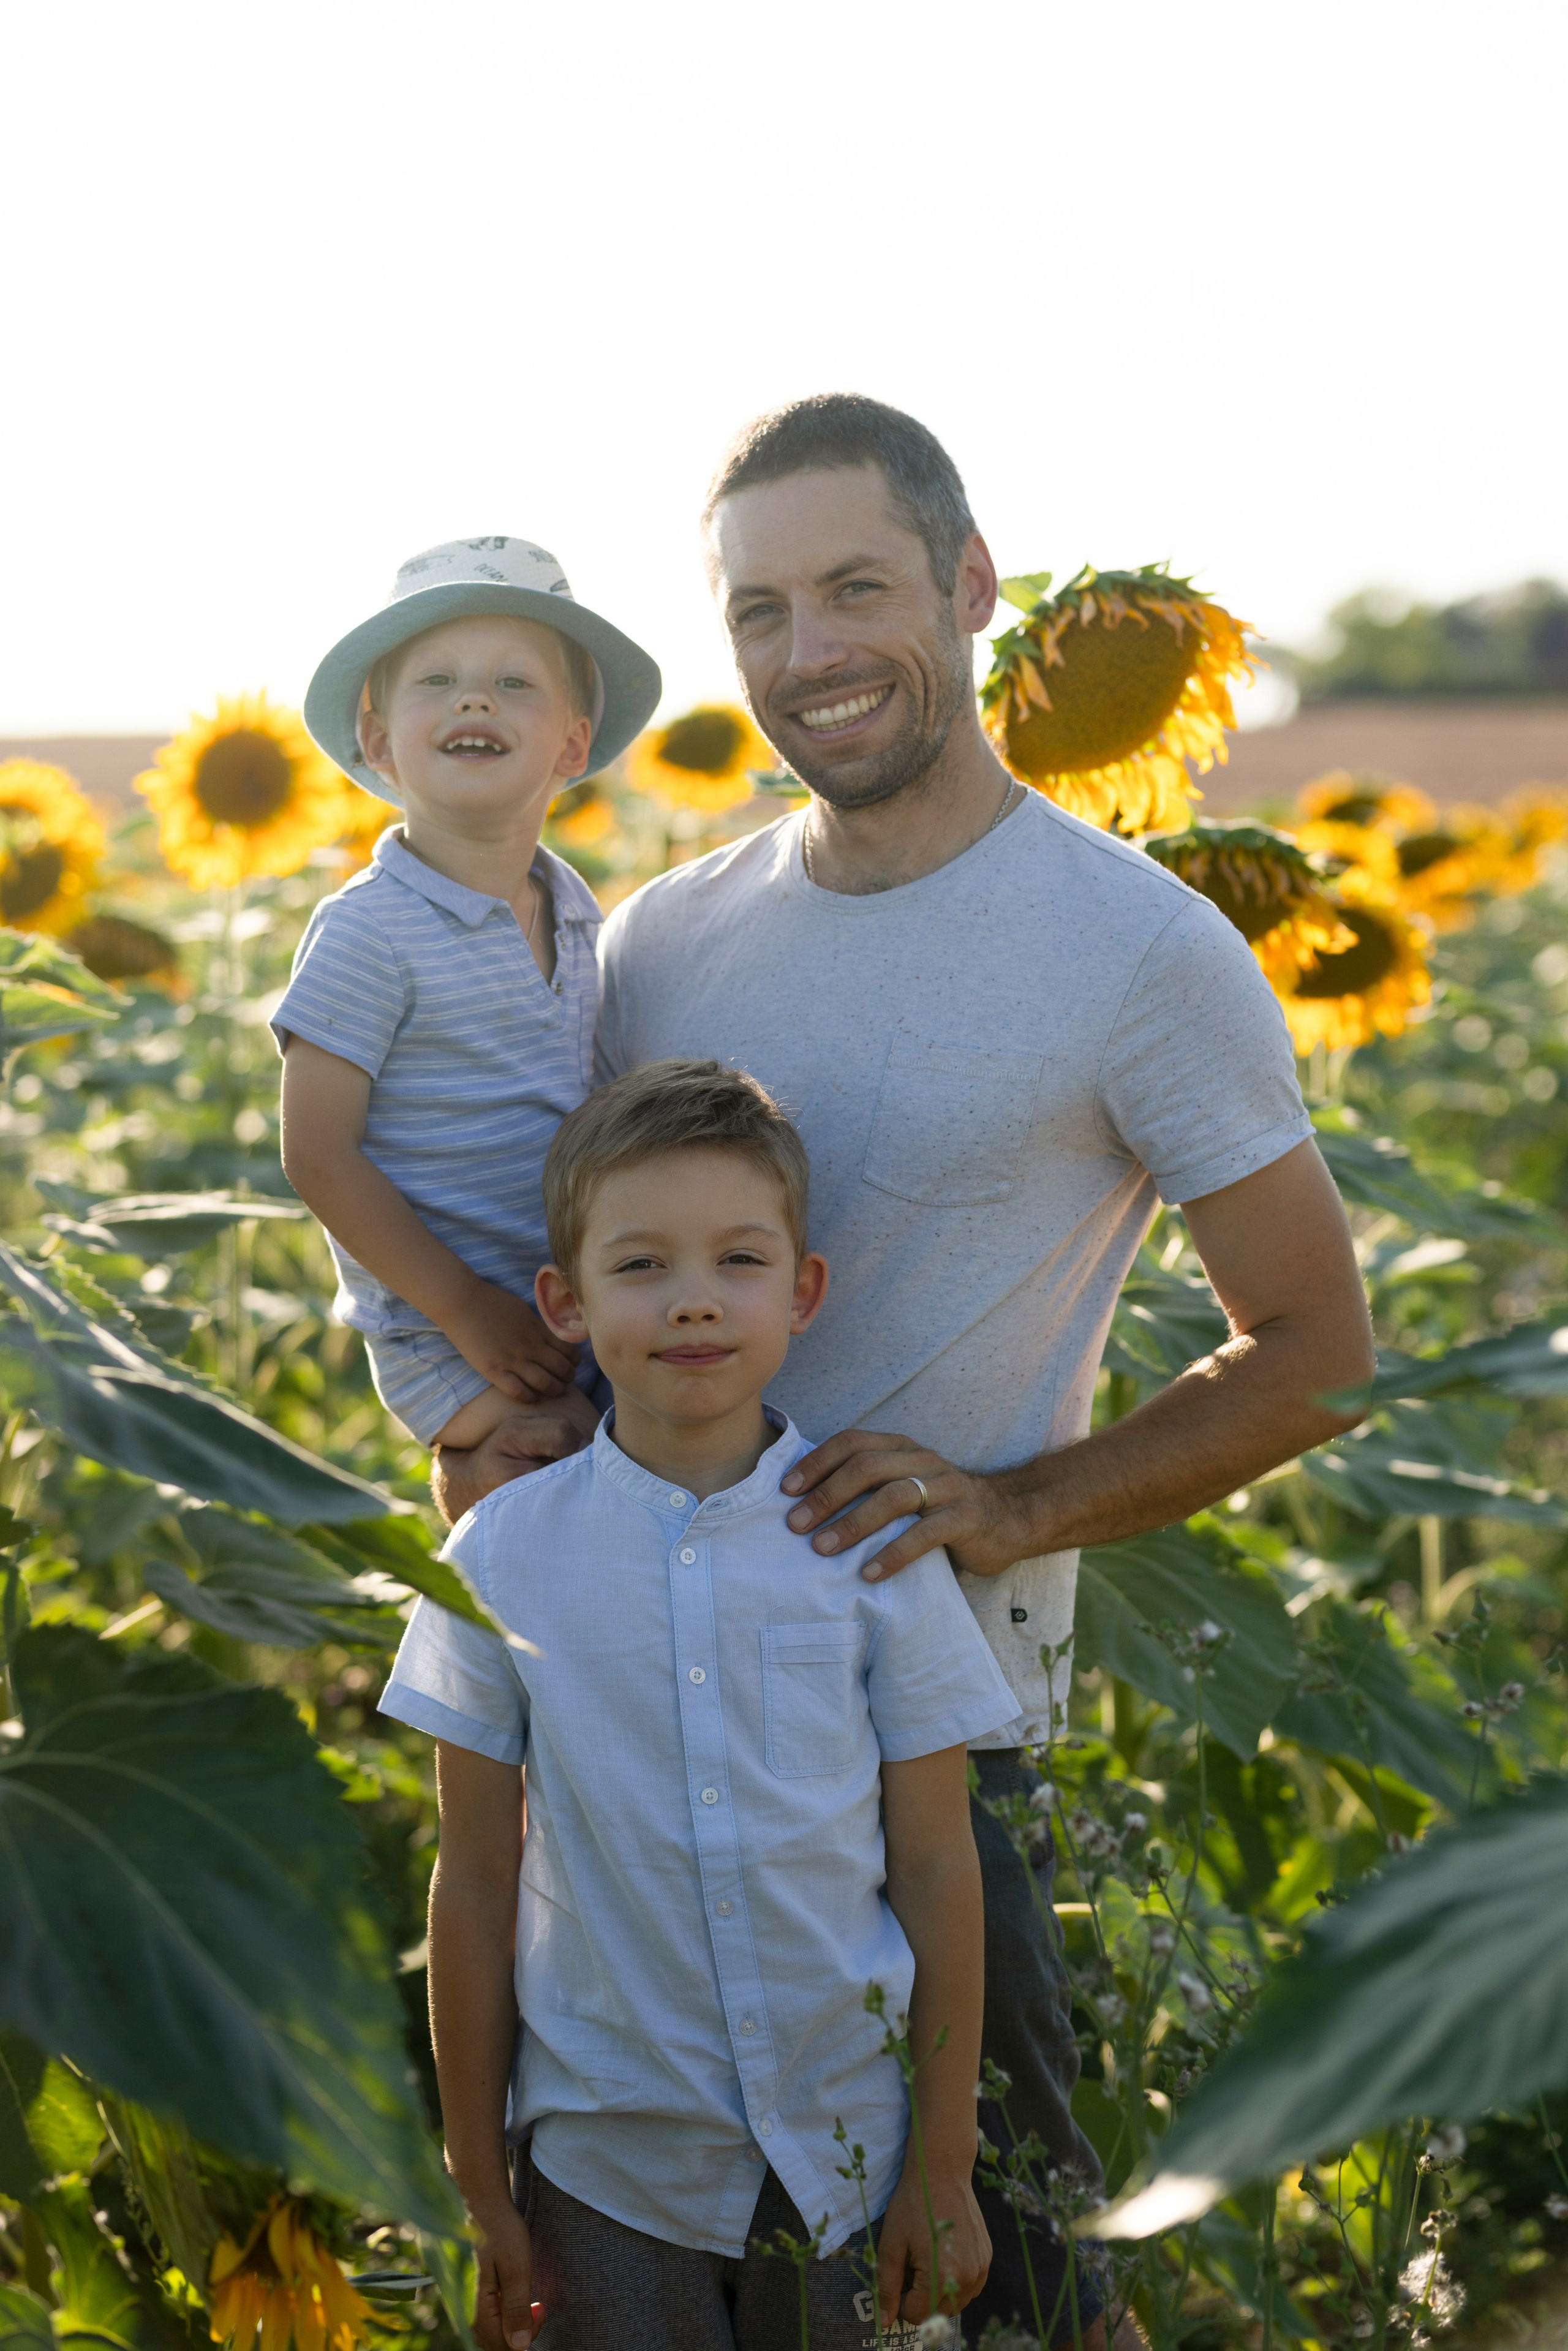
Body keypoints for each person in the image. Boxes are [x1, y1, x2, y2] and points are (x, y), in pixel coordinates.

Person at [434, 397, 1378, 2343]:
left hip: (927, 1739)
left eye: (858, 586)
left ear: (968, 587)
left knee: (1013, 2279)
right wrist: (502, 1424)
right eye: (761, 608)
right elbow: (604, 1272)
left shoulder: (1139, 949)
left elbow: (1318, 1351)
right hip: (633, 1741)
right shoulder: (668, 944)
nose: (811, 651)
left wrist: (1018, 1504)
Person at [379, 1060, 1019, 2349]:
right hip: (608, 2158)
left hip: (845, 2150)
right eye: (639, 1265)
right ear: (562, 1300)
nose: (689, 1300)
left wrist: (941, 2163)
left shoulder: (869, 1550)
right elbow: (473, 1881)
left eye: (736, 1258)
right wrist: (475, 2174)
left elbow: (941, 1866)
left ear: (802, 1290)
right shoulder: (497, 1556)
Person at [272, 535, 659, 1451]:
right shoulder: (369, 929)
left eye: (514, 683)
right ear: (379, 742)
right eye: (436, 681)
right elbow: (316, 1153)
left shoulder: (571, 909)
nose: (474, 699)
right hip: (444, 1324)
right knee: (563, 1468)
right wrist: (465, 1308)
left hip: (562, 1303)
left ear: (573, 743)